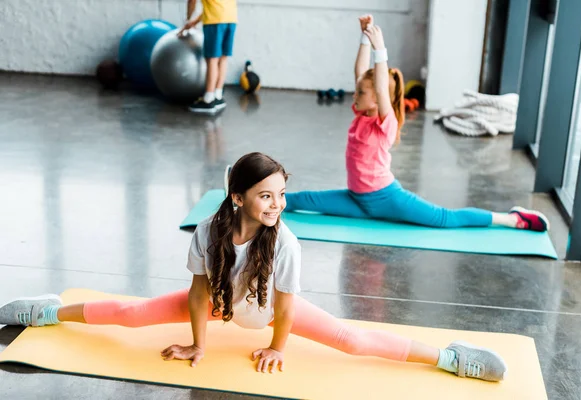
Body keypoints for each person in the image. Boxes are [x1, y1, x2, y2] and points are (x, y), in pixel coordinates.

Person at [0, 152, 507, 381]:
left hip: (266, 314)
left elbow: (285, 310)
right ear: (238, 198)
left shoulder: (285, 243)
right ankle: (49, 313)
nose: (277, 205)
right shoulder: (208, 230)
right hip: (222, 306)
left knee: (352, 342)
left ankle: (448, 356)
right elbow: (199, 294)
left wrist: (275, 347)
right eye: (266, 196)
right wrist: (199, 341)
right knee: (133, 315)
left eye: (282, 195)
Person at [284, 15, 549, 232]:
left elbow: (376, 83)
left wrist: (380, 49)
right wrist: (364, 38)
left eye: (361, 93)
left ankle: (513, 219)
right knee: (299, 200)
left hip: (385, 197)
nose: (355, 94)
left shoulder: (383, 123)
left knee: (445, 219)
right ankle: (247, 204)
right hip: (355, 198)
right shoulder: (361, 114)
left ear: (378, 99)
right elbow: (361, 74)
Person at [180, 0, 238, 114]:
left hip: (215, 21)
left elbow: (192, 1)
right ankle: (218, 96)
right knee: (223, 57)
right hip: (231, 18)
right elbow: (214, 7)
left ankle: (208, 99)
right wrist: (194, 22)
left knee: (212, 59)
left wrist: (188, 18)